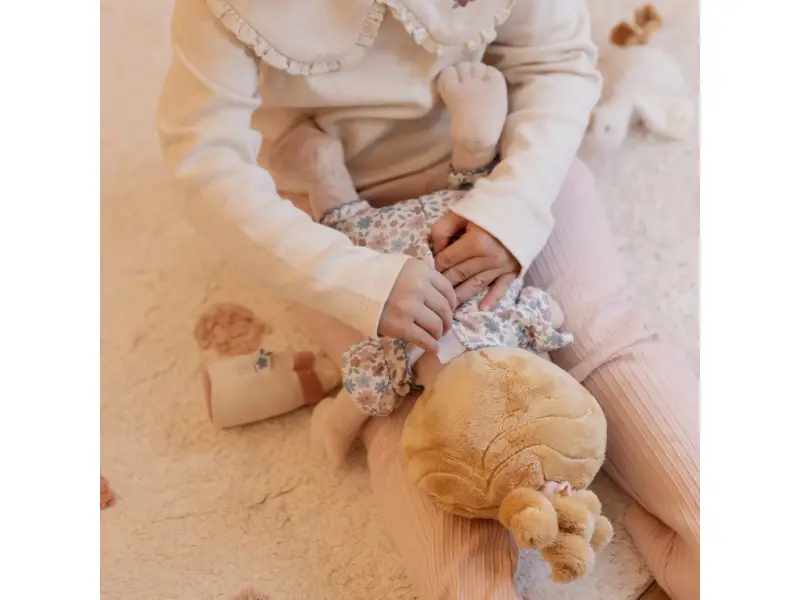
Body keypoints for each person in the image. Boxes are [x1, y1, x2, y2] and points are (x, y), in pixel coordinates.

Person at [157, 1, 699, 599]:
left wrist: (513, 208)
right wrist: (353, 280)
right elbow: (205, 163)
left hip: (496, 154)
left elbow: (556, 61)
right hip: (329, 202)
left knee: (601, 334)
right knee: (408, 410)